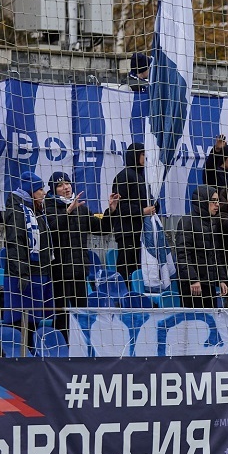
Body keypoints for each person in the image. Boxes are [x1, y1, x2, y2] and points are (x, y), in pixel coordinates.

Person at [43, 171, 118, 334]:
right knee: (62, 316)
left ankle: (82, 345)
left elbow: (101, 229)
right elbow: (52, 231)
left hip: (79, 270)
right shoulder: (48, 208)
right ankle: (63, 343)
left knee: (82, 313)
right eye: (60, 185)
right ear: (53, 189)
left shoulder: (81, 208)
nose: (66, 187)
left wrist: (111, 211)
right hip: (59, 272)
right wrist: (68, 212)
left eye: (67, 183)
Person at [1, 171, 49, 348]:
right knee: (19, 320)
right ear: (31, 190)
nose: (44, 193)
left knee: (33, 321)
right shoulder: (17, 210)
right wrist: (21, 272)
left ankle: (30, 352)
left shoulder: (36, 210)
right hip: (22, 275)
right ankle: (18, 355)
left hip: (37, 273)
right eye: (40, 189)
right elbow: (15, 242)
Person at [111, 142, 156, 282]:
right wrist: (142, 211)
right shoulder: (124, 176)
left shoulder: (143, 177)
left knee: (140, 269)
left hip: (142, 233)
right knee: (126, 269)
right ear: (134, 155)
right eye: (142, 154)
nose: (145, 158)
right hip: (127, 233)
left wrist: (155, 206)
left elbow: (148, 200)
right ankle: (124, 292)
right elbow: (120, 207)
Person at [176, 185, 226, 307]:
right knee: (194, 318)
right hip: (192, 285)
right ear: (203, 201)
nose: (217, 204)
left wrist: (221, 279)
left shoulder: (212, 222)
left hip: (209, 282)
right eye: (213, 201)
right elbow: (182, 255)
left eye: (218, 201)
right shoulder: (187, 221)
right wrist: (193, 279)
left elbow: (215, 254)